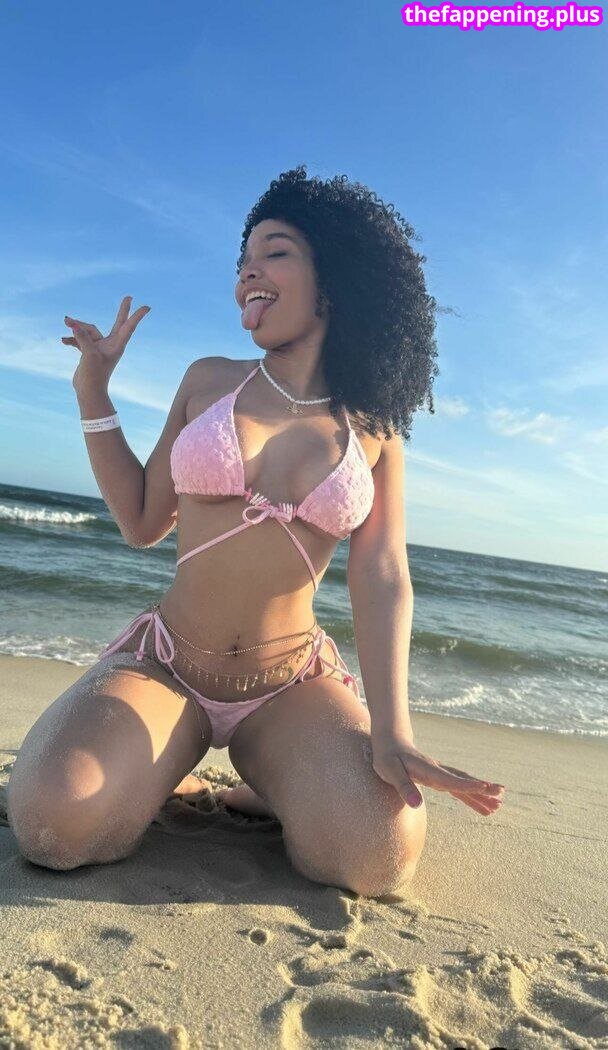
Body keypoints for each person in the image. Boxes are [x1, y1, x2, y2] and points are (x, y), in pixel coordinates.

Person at [7, 167, 505, 895]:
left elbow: (382, 574)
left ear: (333, 278)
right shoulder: (209, 380)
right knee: (54, 825)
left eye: (274, 252)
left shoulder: (373, 430)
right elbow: (142, 521)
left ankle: (268, 783)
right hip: (169, 666)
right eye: (242, 260)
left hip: (288, 686)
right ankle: (162, 763)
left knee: (380, 856)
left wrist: (393, 730)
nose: (247, 271)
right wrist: (93, 390)